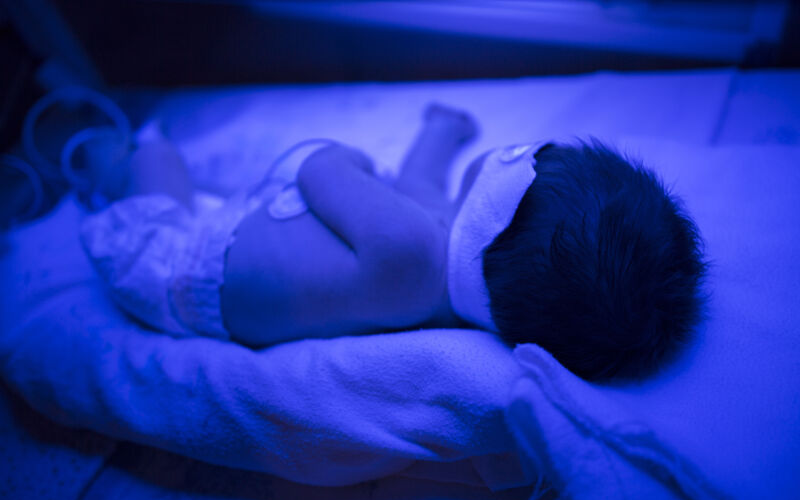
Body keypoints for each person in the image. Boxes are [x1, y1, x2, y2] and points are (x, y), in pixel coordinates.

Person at [82, 103, 706, 382]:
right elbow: (419, 184)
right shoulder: (435, 273)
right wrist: (440, 133)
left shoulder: (407, 247)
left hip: (172, 265)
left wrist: (350, 163)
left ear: (506, 183)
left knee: (155, 162)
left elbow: (311, 162)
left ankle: (101, 161)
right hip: (229, 240)